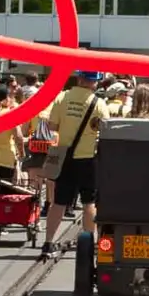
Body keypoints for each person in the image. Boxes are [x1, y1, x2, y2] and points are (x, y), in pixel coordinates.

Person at [39, 70, 108, 256]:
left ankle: (48, 241)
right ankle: (88, 242)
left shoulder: (62, 97)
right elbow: (105, 130)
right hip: (88, 158)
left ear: (78, 78)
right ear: (95, 82)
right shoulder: (99, 104)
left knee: (59, 202)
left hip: (65, 157)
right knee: (89, 202)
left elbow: (52, 126)